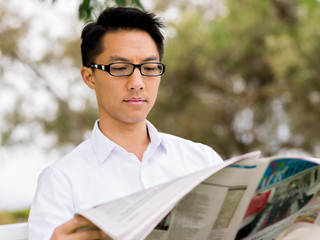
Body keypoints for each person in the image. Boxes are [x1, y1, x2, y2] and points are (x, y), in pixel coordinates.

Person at [28, 7, 223, 240]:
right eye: (120, 68)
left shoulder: (203, 161)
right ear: (89, 77)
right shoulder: (61, 182)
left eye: (150, 68)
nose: (137, 83)